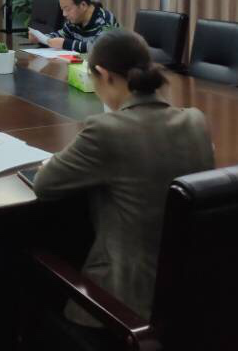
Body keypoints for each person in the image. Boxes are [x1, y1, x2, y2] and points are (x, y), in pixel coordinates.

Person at [33, 29, 214, 329]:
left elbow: (44, 185)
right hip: (190, 296)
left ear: (104, 75)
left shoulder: (106, 130)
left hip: (123, 304)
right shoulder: (196, 120)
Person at [30, 0, 119, 53]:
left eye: (67, 9)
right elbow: (60, 35)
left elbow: (100, 48)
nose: (64, 14)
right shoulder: (74, 21)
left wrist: (65, 44)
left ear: (83, 5)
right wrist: (41, 38)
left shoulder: (105, 19)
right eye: (62, 9)